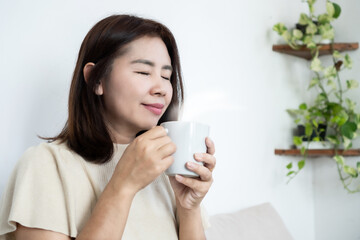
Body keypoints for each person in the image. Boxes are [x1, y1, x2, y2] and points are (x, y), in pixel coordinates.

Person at [0, 14, 216, 240]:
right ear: (96, 79)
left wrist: (189, 207)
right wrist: (123, 185)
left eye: (166, 76)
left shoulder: (165, 167)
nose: (161, 88)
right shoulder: (46, 164)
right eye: (143, 72)